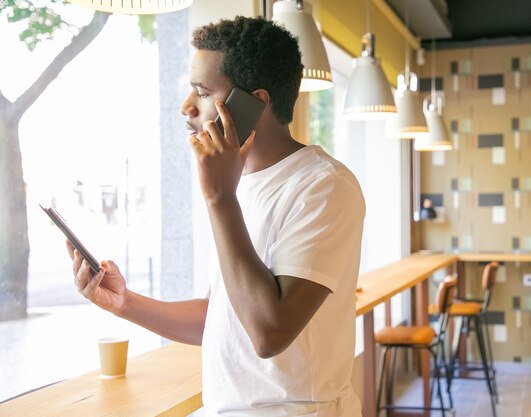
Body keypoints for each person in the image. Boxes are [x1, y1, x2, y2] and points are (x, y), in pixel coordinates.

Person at [68, 16, 365, 417]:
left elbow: (267, 333)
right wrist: (124, 304)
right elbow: (221, 316)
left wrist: (219, 199)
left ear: (252, 103)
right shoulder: (238, 185)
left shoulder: (323, 186)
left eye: (202, 92)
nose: (186, 108)